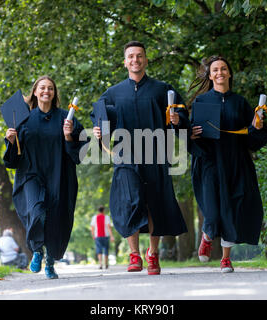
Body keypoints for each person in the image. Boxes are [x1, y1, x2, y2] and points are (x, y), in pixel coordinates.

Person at [91, 41, 189, 275]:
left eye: (139, 56)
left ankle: (152, 255)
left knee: (155, 203)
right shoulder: (113, 93)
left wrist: (178, 121)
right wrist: (98, 131)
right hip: (125, 155)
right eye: (131, 57)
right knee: (129, 202)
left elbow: (182, 115)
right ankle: (134, 254)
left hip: (156, 153)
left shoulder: (163, 90)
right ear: (125, 62)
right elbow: (101, 118)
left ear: (146, 60)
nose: (135, 60)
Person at [188, 55, 267, 273]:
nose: (220, 73)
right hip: (209, 162)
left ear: (229, 73)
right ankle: (207, 234)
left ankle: (226, 258)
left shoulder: (240, 102)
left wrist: (257, 126)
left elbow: (250, 137)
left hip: (235, 162)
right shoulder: (201, 102)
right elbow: (190, 134)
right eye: (215, 69)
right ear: (210, 74)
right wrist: (192, 135)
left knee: (232, 210)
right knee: (213, 211)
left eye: (223, 69)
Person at [3, 75, 88, 279]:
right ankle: (37, 250)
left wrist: (68, 136)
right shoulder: (24, 120)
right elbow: (12, 159)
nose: (46, 91)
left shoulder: (65, 118)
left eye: (50, 88)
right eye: (42, 88)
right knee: (37, 210)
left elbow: (82, 151)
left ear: (54, 93)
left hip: (59, 176)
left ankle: (49, 261)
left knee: (55, 218)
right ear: (34, 92)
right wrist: (11, 141)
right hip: (31, 175)